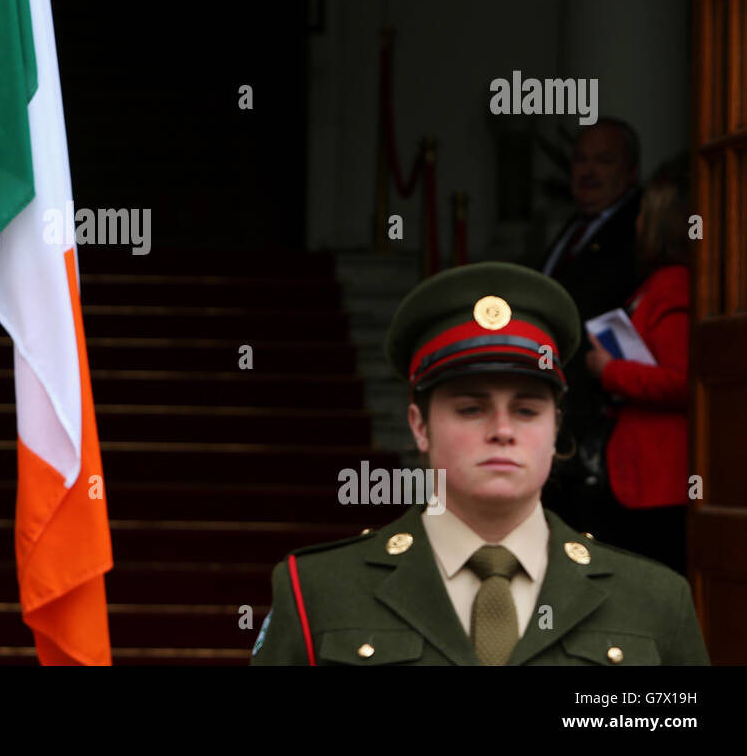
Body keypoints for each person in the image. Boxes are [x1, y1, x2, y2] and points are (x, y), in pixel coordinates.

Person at [250, 262, 709, 665]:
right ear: (419, 426)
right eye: (471, 409)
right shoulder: (318, 593)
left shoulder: (654, 600)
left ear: (556, 429)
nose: (502, 429)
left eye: (527, 411)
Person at [584, 161, 692, 574]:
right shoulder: (659, 283)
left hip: (657, 481)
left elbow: (682, 380)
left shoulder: (673, 285)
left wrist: (608, 370)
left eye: (644, 215)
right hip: (640, 475)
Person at [539, 118, 643, 541]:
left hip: (604, 421)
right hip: (561, 409)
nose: (587, 171)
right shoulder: (574, 226)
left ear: (631, 172)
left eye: (603, 160)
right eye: (581, 159)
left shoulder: (637, 227)